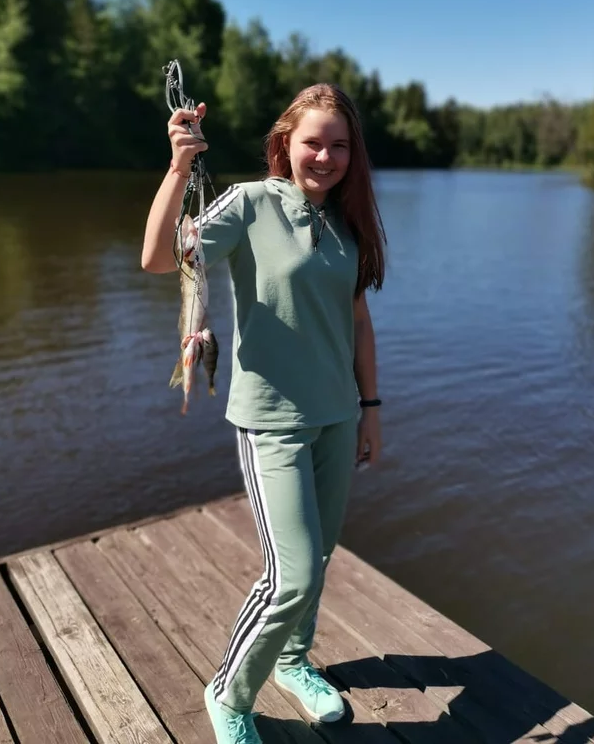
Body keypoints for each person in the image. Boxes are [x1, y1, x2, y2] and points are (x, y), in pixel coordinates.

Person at [141, 82, 386, 744]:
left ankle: (291, 658)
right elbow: (161, 258)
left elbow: (358, 321)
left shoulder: (347, 221)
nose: (326, 156)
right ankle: (229, 691)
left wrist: (369, 408)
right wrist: (178, 167)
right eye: (314, 142)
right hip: (271, 420)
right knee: (293, 573)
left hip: (337, 416)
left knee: (321, 558)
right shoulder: (250, 204)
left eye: (339, 145)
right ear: (286, 144)